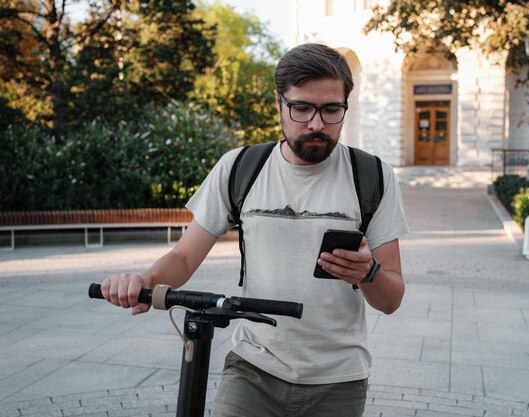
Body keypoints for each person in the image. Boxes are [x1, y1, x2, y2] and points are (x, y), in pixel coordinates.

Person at [100, 43, 409, 417]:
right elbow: (184, 256)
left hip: (339, 380)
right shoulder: (240, 167)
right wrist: (144, 282)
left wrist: (369, 272)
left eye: (331, 110)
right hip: (253, 370)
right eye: (302, 108)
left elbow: (391, 299)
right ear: (279, 102)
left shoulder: (373, 176)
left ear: (346, 106)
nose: (316, 124)